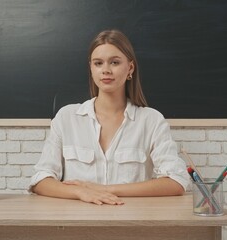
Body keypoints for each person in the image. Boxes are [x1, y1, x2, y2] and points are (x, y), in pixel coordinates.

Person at [28, 29, 190, 205]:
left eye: (114, 62)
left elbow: (176, 182)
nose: (106, 70)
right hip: (76, 223)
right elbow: (40, 180)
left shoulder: (151, 120)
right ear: (91, 68)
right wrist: (80, 192)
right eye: (98, 63)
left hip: (131, 224)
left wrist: (106, 189)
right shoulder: (67, 117)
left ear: (130, 68)